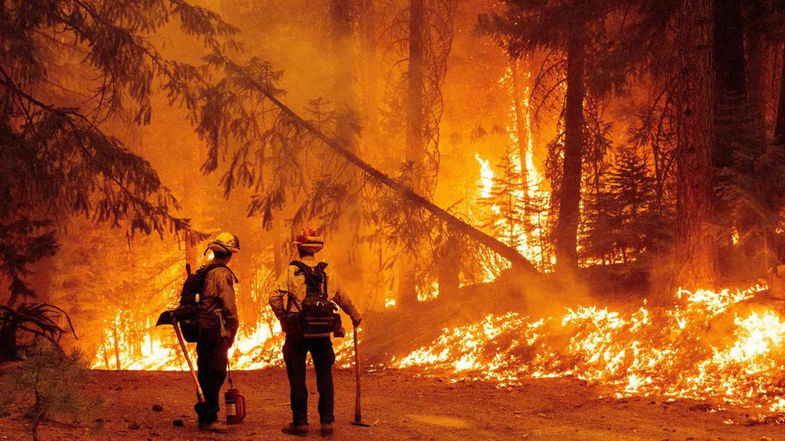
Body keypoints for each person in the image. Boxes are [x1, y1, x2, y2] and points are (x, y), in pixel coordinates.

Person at [269, 229, 363, 437]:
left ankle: (300, 423)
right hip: (322, 334)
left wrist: (284, 318)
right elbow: (343, 297)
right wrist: (355, 316)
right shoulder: (328, 272)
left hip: (298, 333)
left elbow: (274, 296)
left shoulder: (291, 272)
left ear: (299, 249)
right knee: (325, 376)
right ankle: (326, 423)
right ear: (316, 250)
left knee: (297, 377)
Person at [195, 232, 240, 430]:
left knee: (204, 371)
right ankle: (211, 417)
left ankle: (204, 416)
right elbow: (228, 305)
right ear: (229, 254)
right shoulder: (222, 273)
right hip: (215, 328)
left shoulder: (205, 270)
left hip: (202, 327)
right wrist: (234, 326)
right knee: (216, 372)